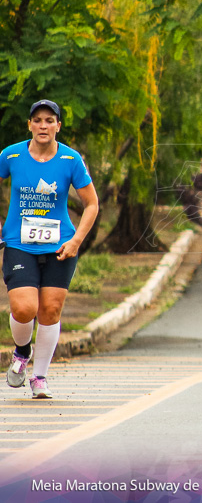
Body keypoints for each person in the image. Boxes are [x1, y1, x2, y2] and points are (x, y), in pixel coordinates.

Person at [2, 100, 99, 400]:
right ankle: (21, 351)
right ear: (29, 125)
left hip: (61, 246)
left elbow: (92, 204)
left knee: (50, 310)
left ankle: (39, 377)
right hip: (20, 244)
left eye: (49, 120)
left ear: (58, 125)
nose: (43, 126)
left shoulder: (71, 160)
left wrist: (76, 241)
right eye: (37, 120)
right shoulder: (11, 155)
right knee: (24, 308)